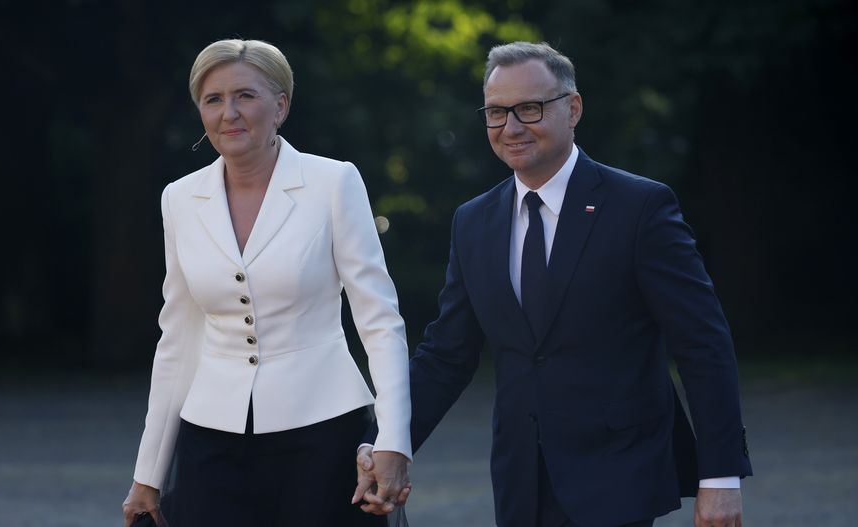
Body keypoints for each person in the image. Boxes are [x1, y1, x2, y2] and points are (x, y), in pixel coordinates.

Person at [355, 41, 752, 526]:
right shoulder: (474, 221)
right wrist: (388, 442)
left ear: (574, 108)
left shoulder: (639, 208)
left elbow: (702, 344)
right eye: (497, 112)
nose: (512, 127)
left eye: (530, 108)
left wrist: (720, 478)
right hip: (521, 480)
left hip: (619, 475)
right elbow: (447, 354)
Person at [121, 38, 412, 527]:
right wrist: (148, 472)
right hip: (210, 442)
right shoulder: (179, 198)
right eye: (213, 100)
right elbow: (178, 338)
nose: (229, 113)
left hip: (326, 433)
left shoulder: (334, 182)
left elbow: (379, 320)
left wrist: (393, 440)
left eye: (245, 96)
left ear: (281, 106)